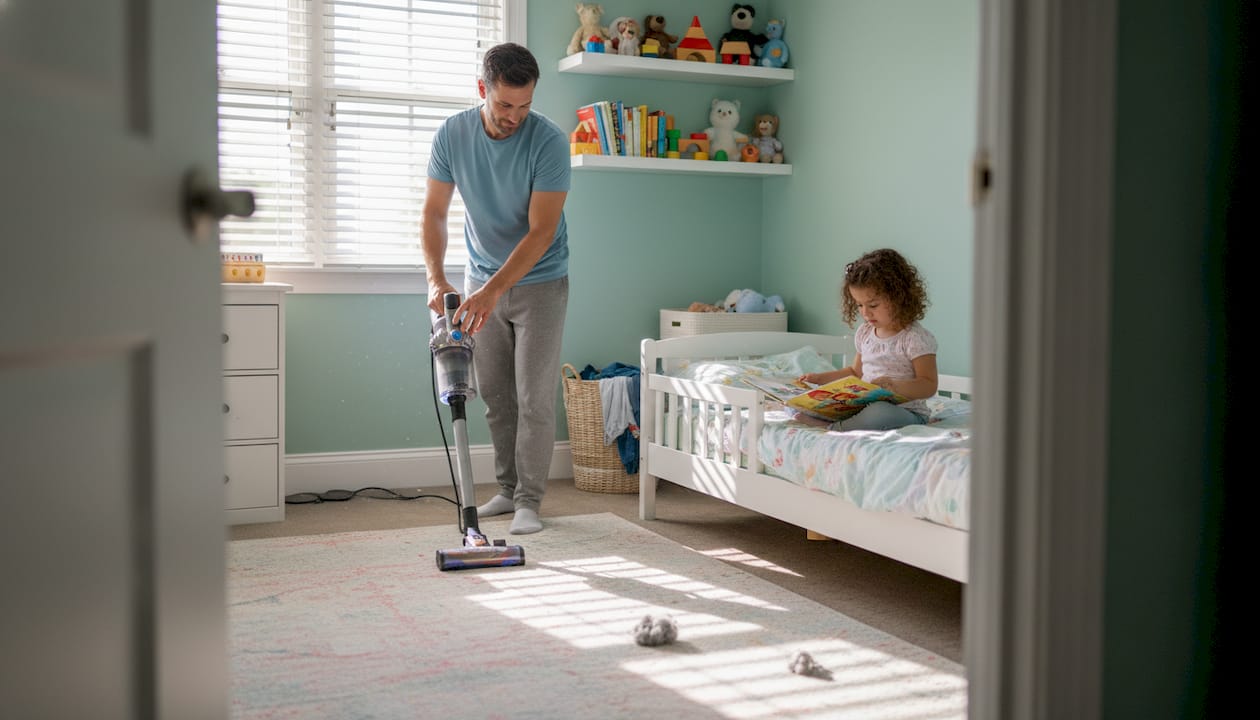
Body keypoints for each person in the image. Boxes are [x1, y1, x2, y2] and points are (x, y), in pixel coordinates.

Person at [422, 42, 571, 535]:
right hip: (477, 279)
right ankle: (507, 491)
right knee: (495, 397)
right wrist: (436, 277)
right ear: (482, 90)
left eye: (524, 105)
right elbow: (434, 213)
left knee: (533, 398)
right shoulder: (452, 134)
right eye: (505, 105)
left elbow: (541, 232)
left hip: (541, 281)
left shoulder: (548, 141)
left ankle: (530, 499)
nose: (514, 116)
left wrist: (490, 291)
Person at [797, 248, 939, 431]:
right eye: (859, 305)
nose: (865, 312)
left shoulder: (914, 338)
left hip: (905, 413)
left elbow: (929, 385)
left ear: (899, 297)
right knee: (817, 402)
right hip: (864, 405)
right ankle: (837, 420)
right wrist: (819, 379)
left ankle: (835, 428)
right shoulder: (865, 333)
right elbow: (855, 372)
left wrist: (895, 386)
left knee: (879, 412)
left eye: (873, 305)